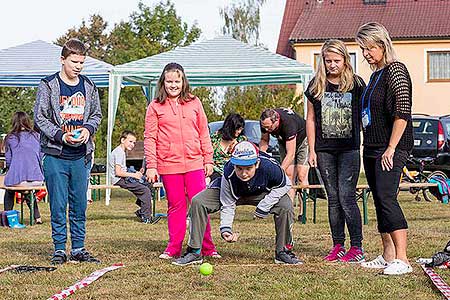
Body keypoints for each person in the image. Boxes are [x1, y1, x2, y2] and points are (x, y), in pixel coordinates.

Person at [172, 141, 302, 266]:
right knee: (198, 201)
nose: (244, 173)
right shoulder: (229, 172)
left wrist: (265, 206)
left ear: (256, 164)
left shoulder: (271, 167)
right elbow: (227, 203)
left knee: (285, 205)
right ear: (234, 165)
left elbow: (285, 185)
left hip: (261, 193)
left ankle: (283, 252)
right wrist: (226, 229)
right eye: (239, 168)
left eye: (248, 168)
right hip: (234, 193)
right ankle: (194, 252)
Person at [34, 38, 102, 265]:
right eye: (74, 61)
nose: (78, 66)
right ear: (62, 60)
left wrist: (88, 129)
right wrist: (60, 135)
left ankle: (79, 248)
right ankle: (60, 248)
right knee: (58, 203)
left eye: (82, 62)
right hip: (55, 155)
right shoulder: (48, 85)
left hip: (81, 156)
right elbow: (40, 117)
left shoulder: (89, 86)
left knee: (80, 204)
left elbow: (96, 115)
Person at [144, 62, 219, 259]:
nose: (173, 85)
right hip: (169, 165)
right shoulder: (154, 107)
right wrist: (151, 166)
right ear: (163, 82)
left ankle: (207, 247)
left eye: (177, 81)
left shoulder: (194, 102)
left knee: (200, 205)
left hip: (195, 163)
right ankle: (174, 247)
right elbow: (150, 138)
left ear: (183, 81)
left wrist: (208, 159)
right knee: (176, 205)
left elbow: (204, 131)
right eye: (169, 81)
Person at [356, 22, 414, 275]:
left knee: (388, 198)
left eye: (369, 48)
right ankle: (387, 255)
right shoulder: (375, 74)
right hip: (372, 146)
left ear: (382, 45)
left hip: (391, 146)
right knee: (379, 199)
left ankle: (403, 259)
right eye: (362, 49)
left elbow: (402, 111)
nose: (366, 53)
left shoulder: (396, 70)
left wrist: (391, 147)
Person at [305, 40, 366, 263]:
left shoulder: (357, 84)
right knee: (333, 198)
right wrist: (312, 150)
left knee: (346, 197)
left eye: (336, 61)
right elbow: (310, 119)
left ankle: (357, 246)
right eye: (328, 61)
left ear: (345, 60)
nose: (332, 65)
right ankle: (338, 245)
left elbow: (366, 114)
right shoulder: (315, 86)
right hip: (324, 151)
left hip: (349, 149)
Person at [260, 108, 309, 220]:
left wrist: (277, 172)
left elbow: (291, 154)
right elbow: (264, 141)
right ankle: (289, 211)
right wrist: (261, 159)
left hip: (303, 140)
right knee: (289, 174)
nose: (267, 129)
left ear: (276, 121)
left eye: (269, 127)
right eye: (264, 127)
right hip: (284, 141)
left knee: (301, 175)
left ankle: (303, 212)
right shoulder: (264, 122)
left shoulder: (288, 123)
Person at [109, 130, 161, 224]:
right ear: (122, 140)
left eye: (134, 142)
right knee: (145, 191)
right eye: (130, 141)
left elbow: (123, 169)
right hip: (119, 179)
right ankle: (146, 218)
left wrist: (136, 173)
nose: (132, 144)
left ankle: (142, 211)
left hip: (123, 177)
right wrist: (134, 175)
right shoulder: (119, 152)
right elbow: (118, 172)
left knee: (148, 184)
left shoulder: (121, 151)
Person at [3, 112, 44, 224]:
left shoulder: (9, 138)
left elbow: (8, 161)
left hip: (19, 181)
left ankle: (8, 217)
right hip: (37, 181)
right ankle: (37, 217)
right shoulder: (37, 136)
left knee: (9, 191)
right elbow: (41, 157)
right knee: (28, 191)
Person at [209, 113, 247, 182]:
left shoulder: (241, 140)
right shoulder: (215, 137)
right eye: (237, 129)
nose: (239, 131)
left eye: (241, 129)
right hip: (214, 171)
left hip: (232, 172)